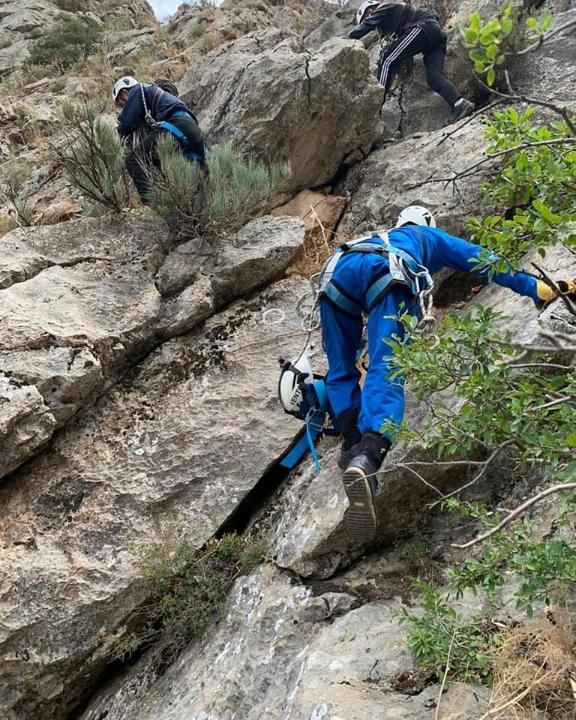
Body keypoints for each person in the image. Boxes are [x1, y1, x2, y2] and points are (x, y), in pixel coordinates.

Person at [318, 205, 576, 539]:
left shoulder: (373, 236)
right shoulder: (428, 236)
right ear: (426, 222)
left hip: (335, 272)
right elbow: (480, 258)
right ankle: (368, 456)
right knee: (387, 366)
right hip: (387, 272)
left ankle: (352, 448)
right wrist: (534, 288)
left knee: (340, 369)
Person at [349, 1, 475, 123]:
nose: (375, 28)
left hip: (421, 27)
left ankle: (375, 107)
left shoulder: (383, 8)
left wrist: (347, 39)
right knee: (434, 77)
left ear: (369, 11)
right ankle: (460, 103)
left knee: (386, 60)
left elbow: (369, 24)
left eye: (366, 17)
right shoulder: (395, 16)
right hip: (436, 36)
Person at [112, 76, 206, 201]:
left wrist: (117, 132)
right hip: (192, 129)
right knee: (156, 159)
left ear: (124, 93)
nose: (123, 108)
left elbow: (127, 123)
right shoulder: (156, 94)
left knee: (133, 160)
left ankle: (151, 203)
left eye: (122, 104)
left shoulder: (138, 90)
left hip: (175, 125)